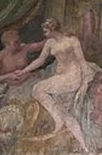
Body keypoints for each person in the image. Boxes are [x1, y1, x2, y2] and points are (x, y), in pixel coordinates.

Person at [14, 17, 96, 154]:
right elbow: (40, 60)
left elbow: (82, 62)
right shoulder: (50, 43)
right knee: (66, 114)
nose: (44, 33)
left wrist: (84, 83)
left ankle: (57, 118)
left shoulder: (71, 40)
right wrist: (23, 71)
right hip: (59, 77)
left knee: (37, 89)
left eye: (45, 30)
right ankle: (85, 148)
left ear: (52, 29)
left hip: (72, 77)